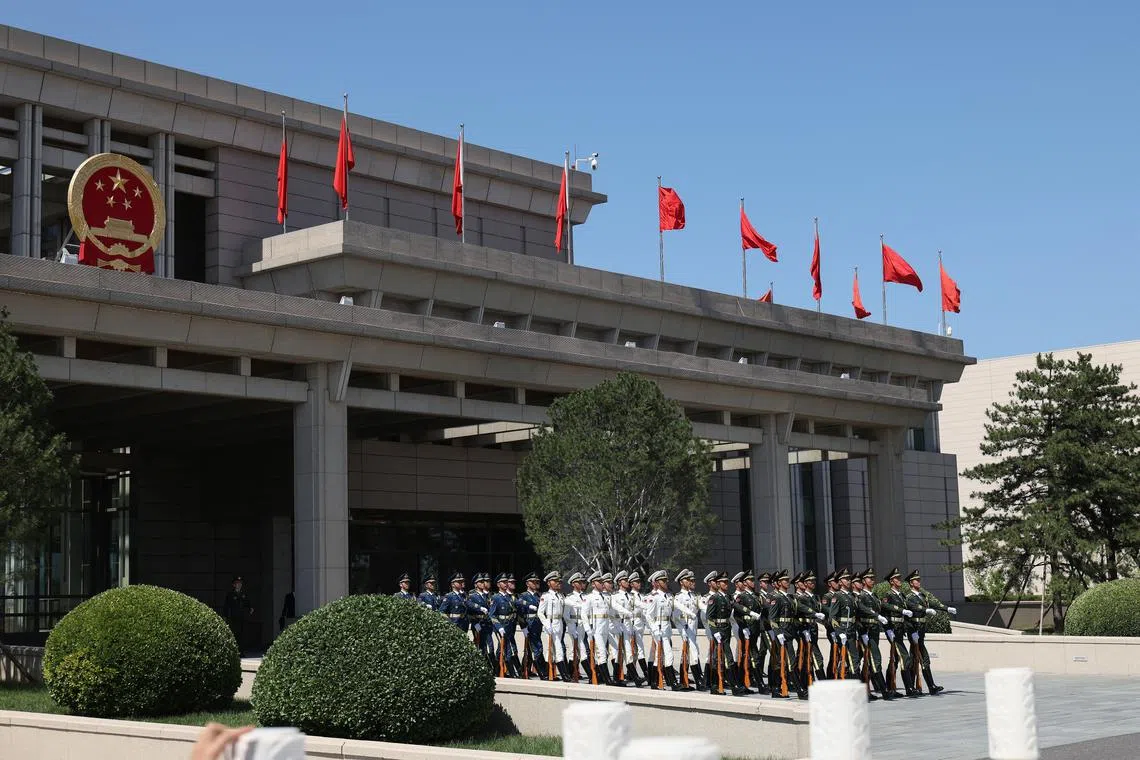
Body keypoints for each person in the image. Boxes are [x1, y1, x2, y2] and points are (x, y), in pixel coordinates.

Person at [903, 569, 957, 695]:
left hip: (921, 630)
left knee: (915, 658)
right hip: (914, 630)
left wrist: (946, 608)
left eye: (919, 580)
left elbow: (934, 603)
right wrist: (912, 631)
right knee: (922, 658)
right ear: (911, 583)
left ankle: (913, 687)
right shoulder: (909, 597)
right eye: (916, 580)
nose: (919, 582)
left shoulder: (922, 596)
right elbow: (913, 609)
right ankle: (927, 686)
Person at [767, 569, 808, 700]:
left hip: (790, 631)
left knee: (782, 662)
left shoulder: (789, 598)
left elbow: (800, 608)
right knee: (790, 661)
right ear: (779, 583)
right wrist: (778, 633)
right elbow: (772, 618)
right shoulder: (776, 598)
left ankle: (775, 689)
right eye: (785, 580)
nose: (787, 582)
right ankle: (800, 690)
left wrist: (814, 613)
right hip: (782, 632)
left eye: (788, 580)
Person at [707, 571, 749, 696]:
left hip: (726, 628)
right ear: (718, 584)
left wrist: (751, 613)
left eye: (726, 582)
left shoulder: (728, 597)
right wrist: (715, 632)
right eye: (723, 582)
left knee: (717, 658)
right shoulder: (714, 598)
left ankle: (714, 686)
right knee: (728, 658)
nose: (726, 584)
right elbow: (709, 617)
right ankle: (734, 686)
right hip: (718, 629)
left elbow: (737, 606)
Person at [643, 569, 687, 690]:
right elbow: (648, 615)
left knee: (659, 656)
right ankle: (672, 683)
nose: (666, 582)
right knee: (668, 655)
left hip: (667, 628)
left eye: (666, 580)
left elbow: (677, 607)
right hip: (659, 628)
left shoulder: (668, 596)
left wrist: (689, 613)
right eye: (663, 580)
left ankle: (654, 682)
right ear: (657, 582)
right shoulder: (654, 597)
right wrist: (654, 630)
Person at [854, 568, 893, 701]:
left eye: (873, 578)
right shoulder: (860, 596)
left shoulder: (874, 596)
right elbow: (860, 612)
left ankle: (868, 691)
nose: (872, 580)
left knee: (870, 661)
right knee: (874, 659)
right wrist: (862, 633)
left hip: (875, 630)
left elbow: (883, 610)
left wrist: (888, 628)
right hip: (866, 630)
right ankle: (884, 691)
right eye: (869, 578)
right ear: (864, 581)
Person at [880, 567, 919, 697]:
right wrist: (888, 630)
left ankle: (890, 687)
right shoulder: (888, 595)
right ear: (891, 581)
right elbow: (885, 607)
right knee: (905, 658)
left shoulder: (901, 595)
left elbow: (907, 615)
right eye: (897, 578)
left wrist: (912, 631)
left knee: (895, 660)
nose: (899, 580)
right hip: (893, 630)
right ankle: (909, 688)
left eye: (899, 578)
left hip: (901, 629)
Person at [732, 570, 766, 693]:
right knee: (751, 656)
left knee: (749, 656)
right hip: (746, 628)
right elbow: (736, 613)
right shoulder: (741, 596)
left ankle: (744, 683)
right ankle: (758, 684)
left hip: (755, 629)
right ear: (745, 582)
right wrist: (743, 627)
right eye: (750, 580)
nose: (753, 582)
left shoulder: (756, 596)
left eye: (753, 580)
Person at [671, 568, 705, 690]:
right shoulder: (678, 597)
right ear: (681, 582)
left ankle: (684, 679)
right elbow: (675, 617)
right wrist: (681, 629)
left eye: (691, 580)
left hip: (693, 628)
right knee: (693, 652)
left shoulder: (695, 596)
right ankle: (699, 680)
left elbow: (702, 607)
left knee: (689, 653)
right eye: (687, 580)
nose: (690, 581)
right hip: (685, 628)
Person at [828, 568, 860, 681]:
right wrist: (839, 632)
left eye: (849, 579)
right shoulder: (837, 596)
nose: (849, 581)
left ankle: (851, 684)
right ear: (840, 582)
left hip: (851, 630)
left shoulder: (851, 596)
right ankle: (853, 686)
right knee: (852, 659)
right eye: (846, 579)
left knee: (853, 659)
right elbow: (832, 617)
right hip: (844, 631)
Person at [537, 570, 567, 681]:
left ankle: (547, 674)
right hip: (551, 623)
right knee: (557, 649)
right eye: (555, 581)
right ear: (549, 583)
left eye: (558, 581)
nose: (558, 583)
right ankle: (564, 675)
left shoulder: (560, 596)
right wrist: (546, 624)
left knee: (553, 650)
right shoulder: (546, 596)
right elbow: (540, 612)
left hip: (559, 624)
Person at [490, 573, 521, 677]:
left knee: (504, 648)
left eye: (506, 582)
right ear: (498, 584)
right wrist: (499, 627)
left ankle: (498, 670)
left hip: (509, 626)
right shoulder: (496, 598)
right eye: (503, 582)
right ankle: (509, 673)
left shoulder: (509, 597)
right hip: (501, 626)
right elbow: (492, 615)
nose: (506, 584)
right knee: (505, 648)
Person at [563, 571, 590, 682]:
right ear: (573, 584)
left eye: (582, 582)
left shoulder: (585, 596)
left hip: (583, 626)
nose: (582, 584)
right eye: (579, 582)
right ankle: (592, 675)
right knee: (582, 652)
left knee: (573, 653)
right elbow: (566, 615)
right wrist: (572, 628)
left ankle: (570, 675)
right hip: (574, 626)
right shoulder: (569, 598)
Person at [517, 572, 544, 678]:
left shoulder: (539, 595)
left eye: (537, 582)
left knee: (532, 647)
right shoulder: (523, 596)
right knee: (536, 647)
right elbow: (520, 612)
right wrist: (523, 627)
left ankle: (524, 670)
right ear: (528, 583)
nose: (536, 584)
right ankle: (542, 672)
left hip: (537, 624)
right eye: (533, 582)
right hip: (529, 624)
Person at [467, 572, 494, 668]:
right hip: (477, 623)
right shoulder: (472, 595)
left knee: (488, 645)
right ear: (476, 584)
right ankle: (477, 665)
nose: (483, 583)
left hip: (486, 623)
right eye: (480, 582)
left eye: (483, 581)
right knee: (479, 645)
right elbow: (469, 608)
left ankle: (487, 666)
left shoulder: (486, 596)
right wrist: (475, 623)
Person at [222, 576, 253, 656]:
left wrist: (250, 609)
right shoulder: (230, 595)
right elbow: (226, 606)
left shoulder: (244, 594)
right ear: (234, 585)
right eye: (237, 583)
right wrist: (225, 616)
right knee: (235, 634)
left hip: (243, 617)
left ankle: (241, 652)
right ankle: (235, 652)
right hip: (234, 618)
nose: (239, 585)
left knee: (243, 635)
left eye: (240, 583)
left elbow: (248, 605)